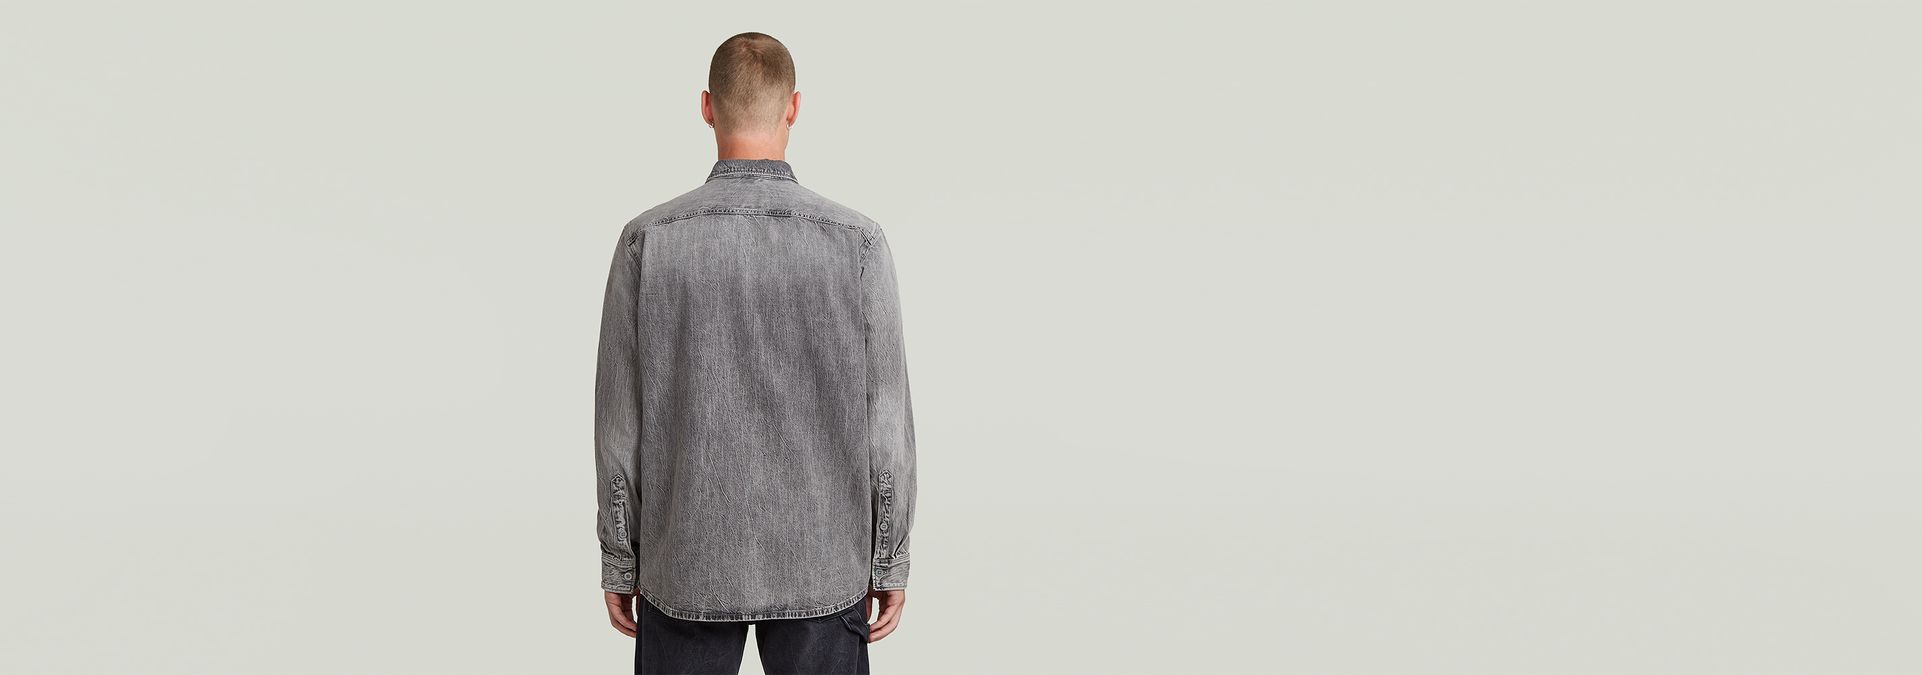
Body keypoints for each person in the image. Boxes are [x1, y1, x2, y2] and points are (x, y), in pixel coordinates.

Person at [592, 32, 917, 675]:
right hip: (822, 561)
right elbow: (886, 425)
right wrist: (889, 559)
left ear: (706, 107)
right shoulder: (857, 243)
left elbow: (619, 426)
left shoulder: (647, 241)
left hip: (685, 560)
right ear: (793, 107)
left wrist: (620, 559)